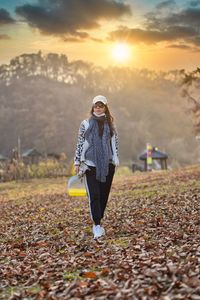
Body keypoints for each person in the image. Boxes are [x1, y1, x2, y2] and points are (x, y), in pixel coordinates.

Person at [74, 95, 119, 239]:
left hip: (107, 165)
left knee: (103, 196)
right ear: (93, 107)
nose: (98, 108)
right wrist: (76, 162)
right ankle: (97, 225)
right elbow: (80, 143)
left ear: (105, 107)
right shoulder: (86, 124)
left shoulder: (110, 123)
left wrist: (114, 159)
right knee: (94, 195)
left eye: (101, 106)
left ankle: (99, 219)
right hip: (89, 165)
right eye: (96, 106)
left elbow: (114, 143)